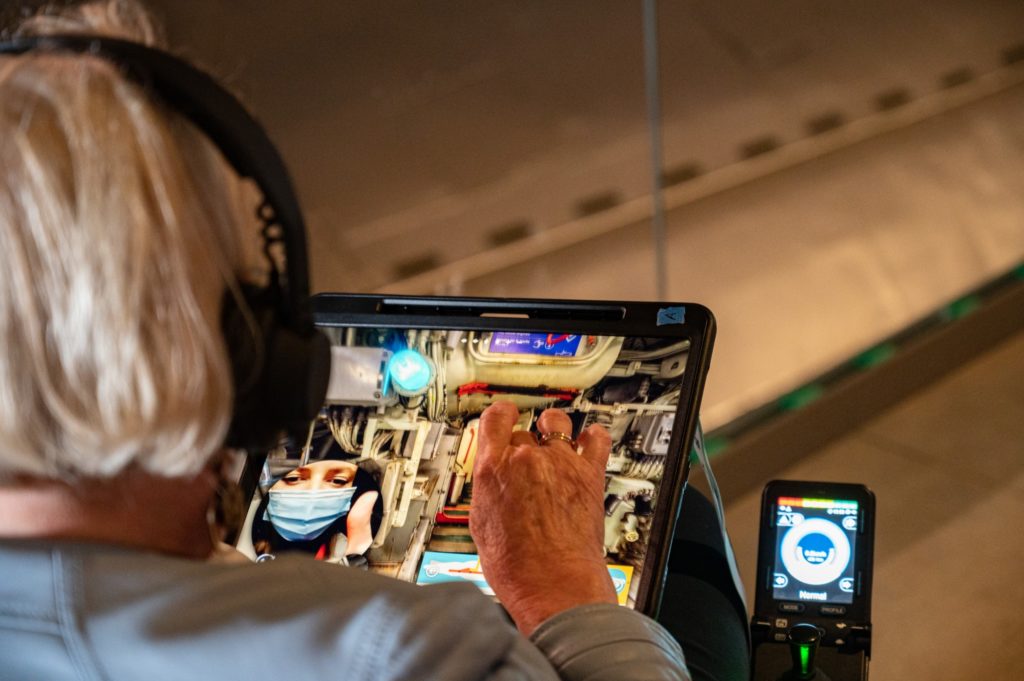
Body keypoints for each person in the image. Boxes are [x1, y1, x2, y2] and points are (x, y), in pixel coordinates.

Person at [0, 2, 695, 679]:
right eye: (243, 297)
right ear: (248, 357)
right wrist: (560, 585)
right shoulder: (404, 651)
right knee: (690, 512)